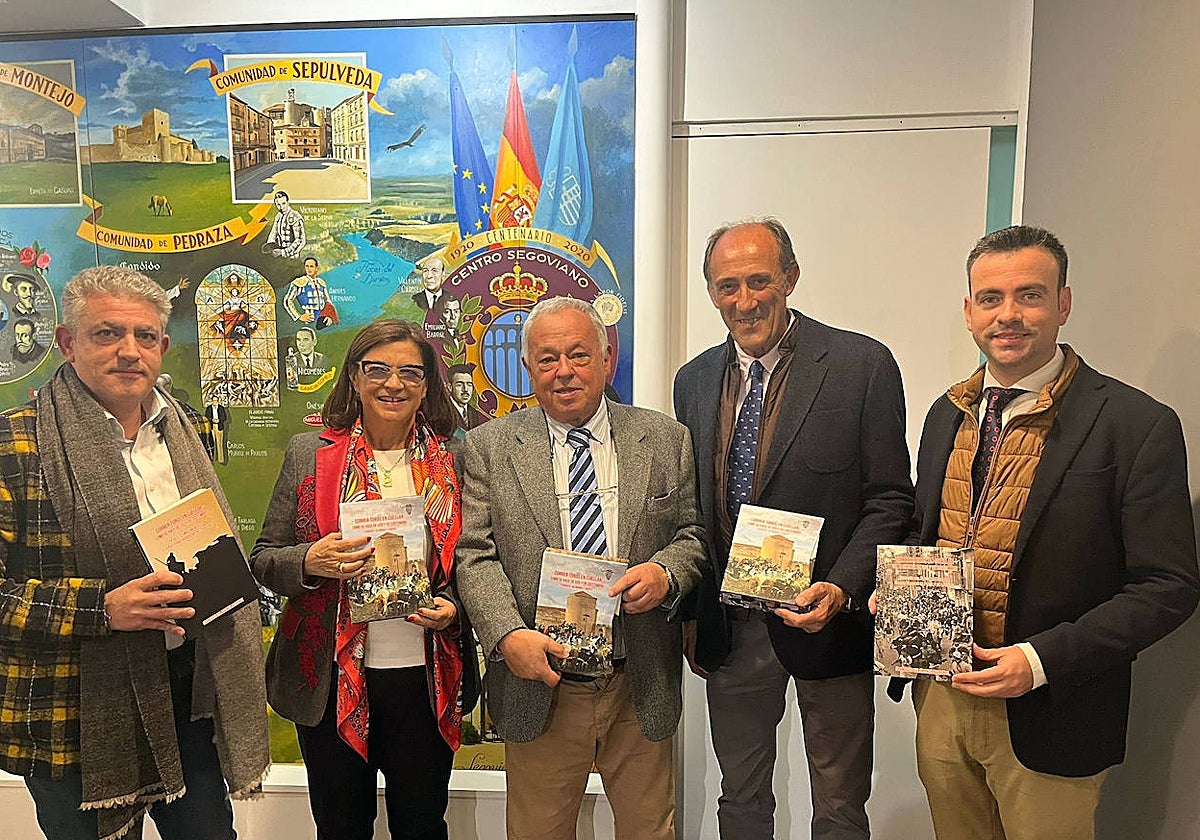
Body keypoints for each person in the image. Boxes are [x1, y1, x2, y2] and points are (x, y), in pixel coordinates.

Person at [892, 224, 1199, 840]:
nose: (1009, 315)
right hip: (942, 699)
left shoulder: (1135, 424)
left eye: (1029, 295)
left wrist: (1039, 662)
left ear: (1063, 303)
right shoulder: (945, 414)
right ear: (968, 311)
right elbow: (931, 537)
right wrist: (893, 596)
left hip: (1053, 709)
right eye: (990, 298)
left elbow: (1169, 586)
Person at [0, 265, 269, 840]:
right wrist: (103, 608)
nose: (129, 351)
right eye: (106, 333)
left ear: (163, 347)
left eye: (144, 336)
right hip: (76, 717)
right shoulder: (14, 443)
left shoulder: (183, 431)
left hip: (188, 695)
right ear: (67, 343)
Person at [673, 218, 914, 840]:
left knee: (838, 806)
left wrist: (841, 587)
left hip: (827, 623)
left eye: (760, 281)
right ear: (710, 291)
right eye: (728, 285)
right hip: (733, 629)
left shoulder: (862, 365)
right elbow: (697, 507)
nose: (745, 300)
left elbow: (890, 501)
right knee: (742, 800)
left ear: (792, 278)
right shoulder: (694, 381)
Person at [456, 296, 707, 840]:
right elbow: (474, 555)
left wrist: (666, 573)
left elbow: (693, 536)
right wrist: (505, 635)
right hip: (541, 679)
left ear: (607, 359)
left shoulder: (666, 439)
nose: (563, 372)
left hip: (637, 678)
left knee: (650, 832)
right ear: (527, 370)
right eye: (547, 359)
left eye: (578, 354)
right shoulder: (488, 448)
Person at [252, 319, 477, 840]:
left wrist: (454, 608)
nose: (392, 384)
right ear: (354, 377)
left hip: (426, 680)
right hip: (330, 682)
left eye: (409, 373)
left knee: (422, 826)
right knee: (341, 826)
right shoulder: (310, 453)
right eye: (377, 369)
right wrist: (311, 560)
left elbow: (477, 562)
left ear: (427, 386)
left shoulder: (459, 458)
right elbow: (263, 558)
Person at [283, 257, 338, 329]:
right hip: (307, 320)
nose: (309, 269)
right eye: (307, 266)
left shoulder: (321, 282)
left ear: (316, 268)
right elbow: (287, 301)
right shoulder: (299, 282)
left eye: (311, 266)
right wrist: (298, 316)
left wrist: (329, 316)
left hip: (322, 319)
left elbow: (328, 301)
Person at [265, 190, 306, 259]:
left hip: (292, 257)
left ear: (288, 202)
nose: (281, 207)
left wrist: (283, 252)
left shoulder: (294, 216)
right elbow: (273, 233)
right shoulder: (278, 216)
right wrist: (270, 247)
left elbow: (299, 240)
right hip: (279, 256)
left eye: (283, 203)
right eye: (278, 205)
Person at [447, 363, 487, 431]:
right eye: (459, 385)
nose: (465, 389)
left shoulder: (473, 412)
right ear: (450, 387)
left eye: (469, 384)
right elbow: (450, 434)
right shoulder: (443, 411)